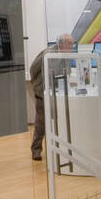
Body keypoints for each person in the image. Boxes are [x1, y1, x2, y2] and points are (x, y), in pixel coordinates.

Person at [28, 33, 76, 161]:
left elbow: (67, 74)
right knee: (41, 123)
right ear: (62, 44)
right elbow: (33, 69)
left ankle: (55, 149)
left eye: (72, 43)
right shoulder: (47, 54)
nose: (72, 46)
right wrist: (37, 85)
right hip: (43, 93)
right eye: (70, 43)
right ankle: (36, 150)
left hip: (58, 93)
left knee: (57, 122)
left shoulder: (67, 56)